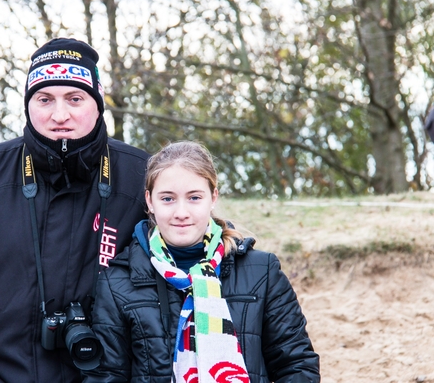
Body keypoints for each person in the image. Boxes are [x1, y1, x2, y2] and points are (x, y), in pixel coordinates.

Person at [0, 38, 150, 382]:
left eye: (75, 99)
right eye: (45, 99)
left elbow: (191, 246)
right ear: (28, 105)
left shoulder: (142, 177)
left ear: (97, 104)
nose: (59, 114)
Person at [82, 141, 320, 382]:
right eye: (168, 199)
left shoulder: (262, 272)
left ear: (213, 197)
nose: (181, 212)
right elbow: (106, 376)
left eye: (194, 197)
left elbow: (297, 365)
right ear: (150, 201)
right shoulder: (117, 283)